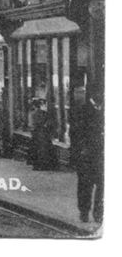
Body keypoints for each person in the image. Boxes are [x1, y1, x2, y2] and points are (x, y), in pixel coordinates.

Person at [70, 88, 103, 224]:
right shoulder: (82, 111)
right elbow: (75, 133)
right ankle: (86, 212)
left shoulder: (99, 110)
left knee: (99, 185)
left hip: (96, 155)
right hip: (86, 155)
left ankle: (96, 213)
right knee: (86, 185)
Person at [30, 98, 58, 170]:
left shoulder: (33, 113)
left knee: (38, 150)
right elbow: (46, 123)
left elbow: (32, 125)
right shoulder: (43, 113)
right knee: (43, 149)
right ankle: (44, 165)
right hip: (43, 134)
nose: (44, 105)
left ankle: (38, 165)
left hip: (37, 134)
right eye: (43, 104)